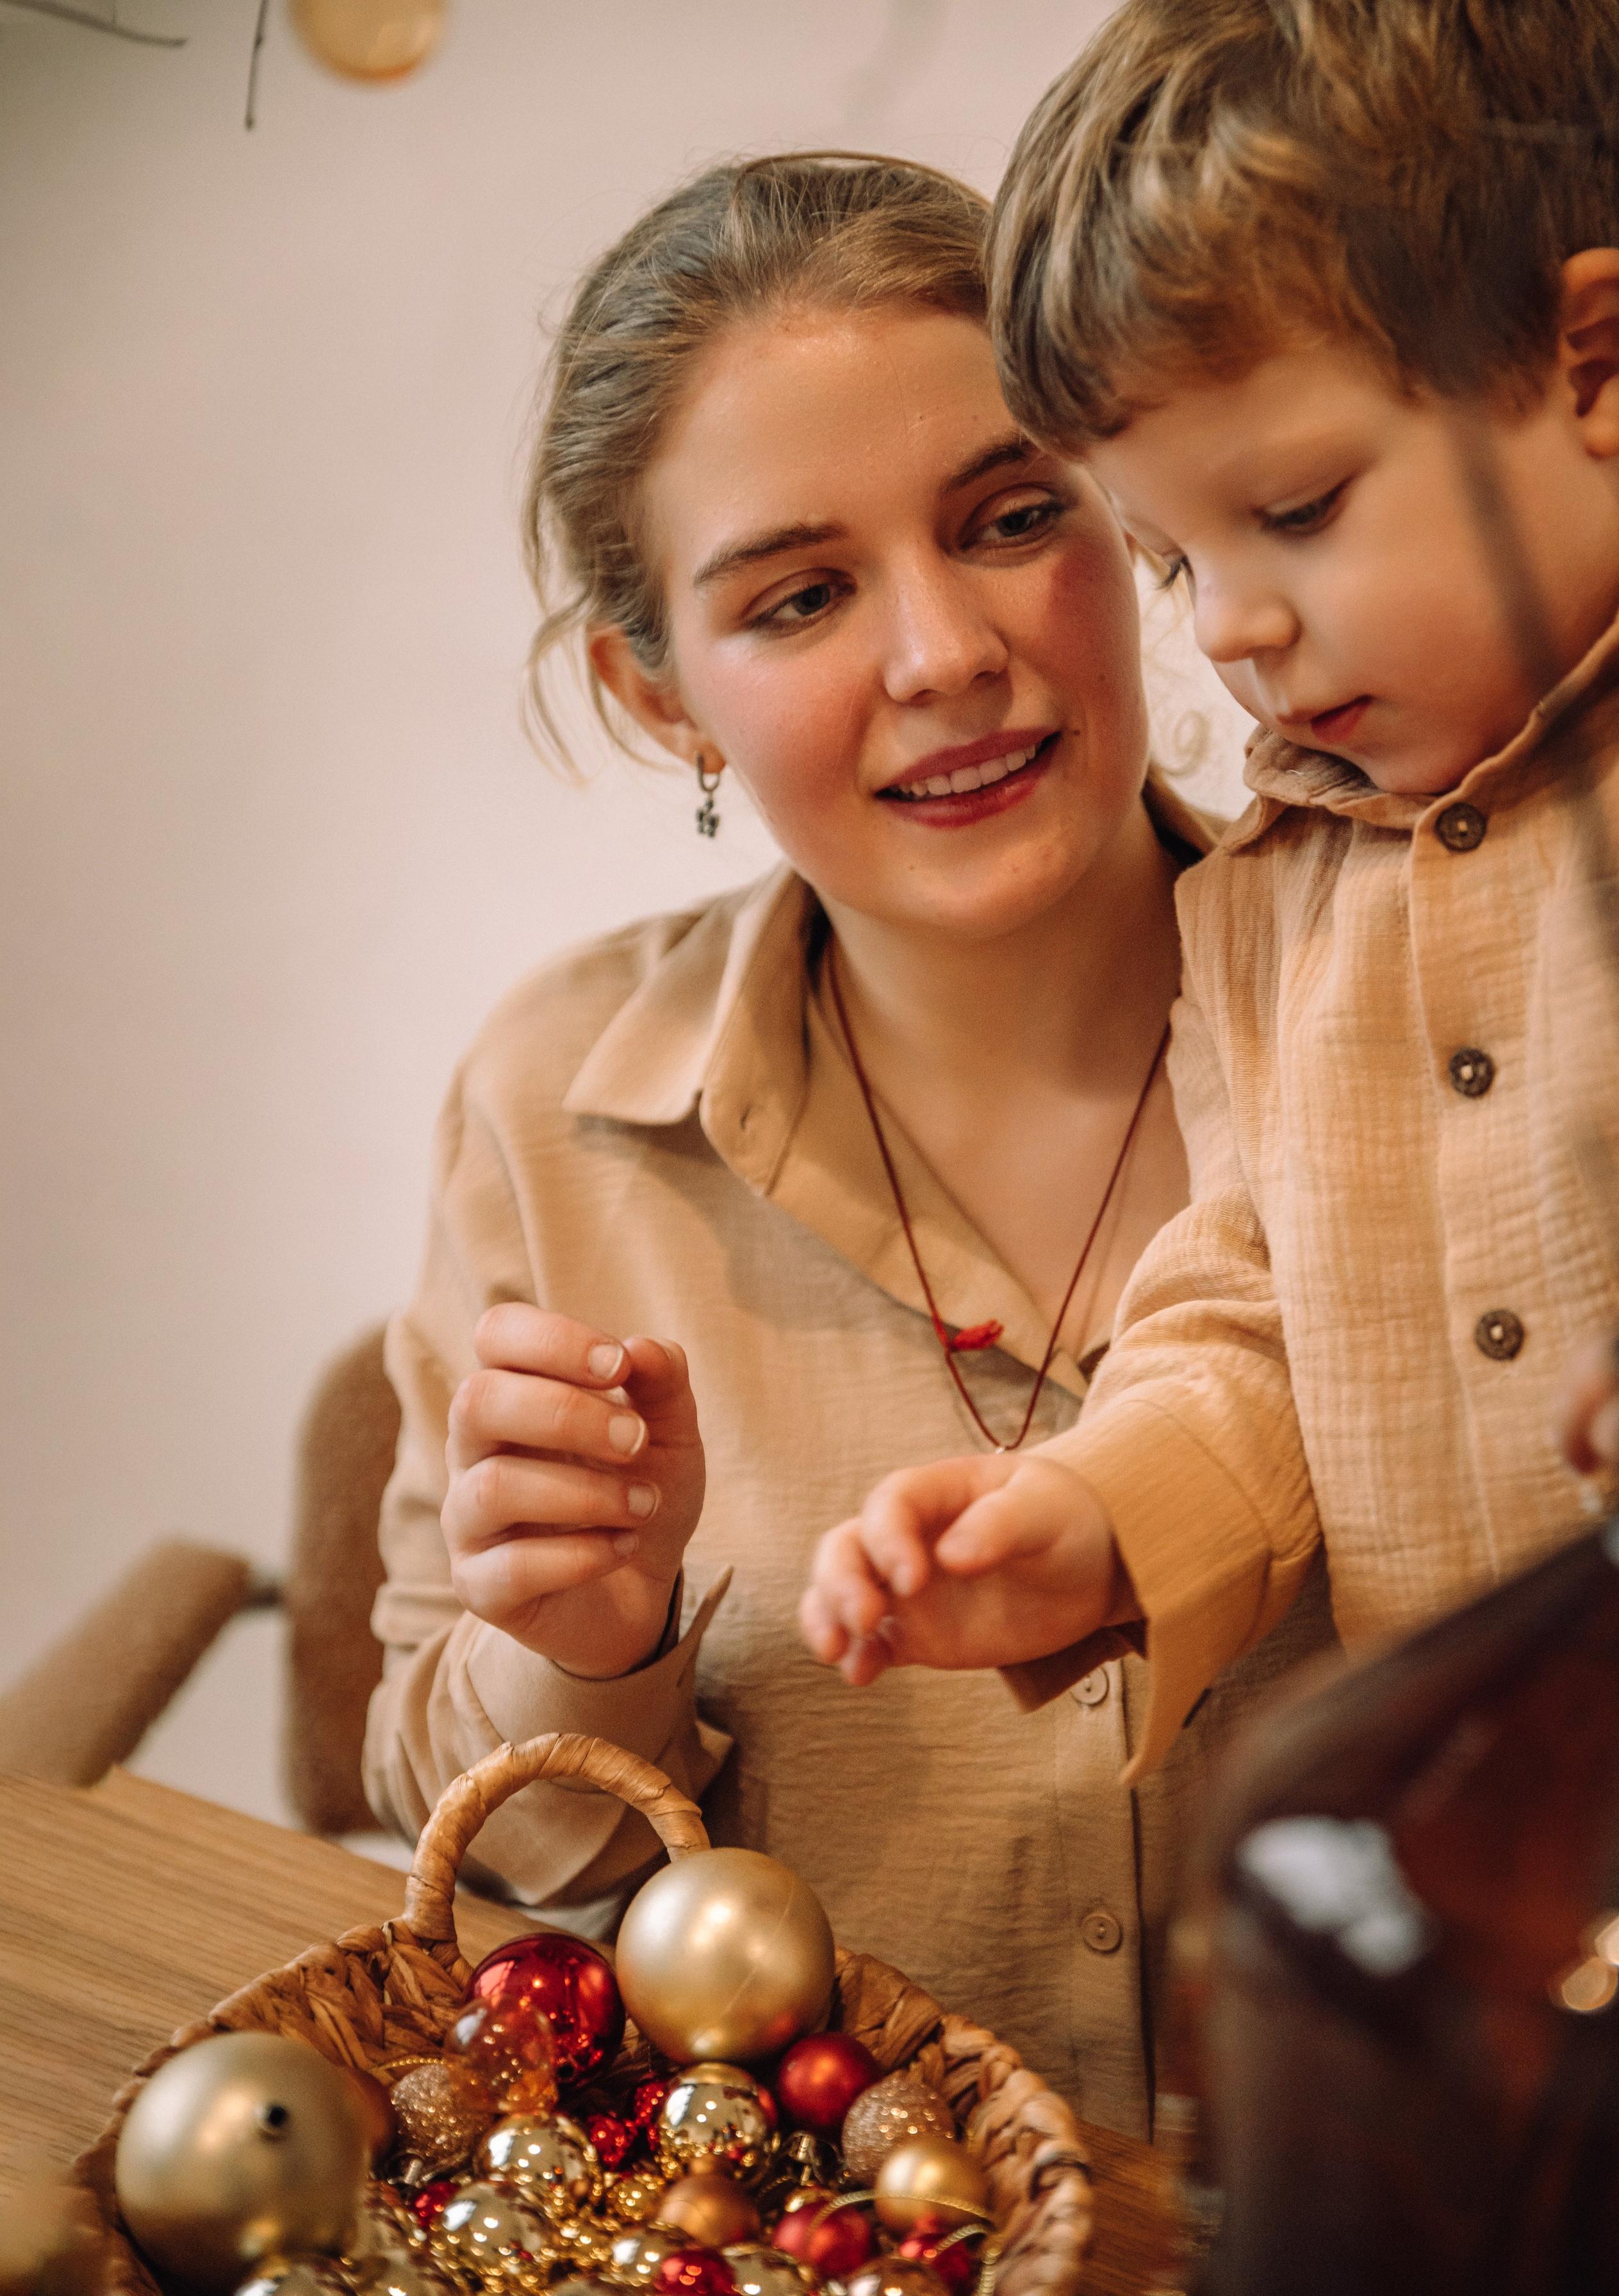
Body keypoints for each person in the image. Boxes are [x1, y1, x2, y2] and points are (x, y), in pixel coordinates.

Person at [362, 151, 1333, 2139]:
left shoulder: (1422, 1030)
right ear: (661, 698)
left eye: (1009, 520)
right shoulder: (555, 1108)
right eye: (802, 596)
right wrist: (581, 1655)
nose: (943, 653)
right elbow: (486, 1893)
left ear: (1131, 509)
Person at [801, 0, 1619, 1771]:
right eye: (1171, 554)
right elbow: (1261, 1311)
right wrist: (1103, 1515)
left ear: (1596, 366)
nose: (1228, 628)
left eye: (1302, 508)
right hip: (1498, 1868)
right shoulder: (1270, 903)